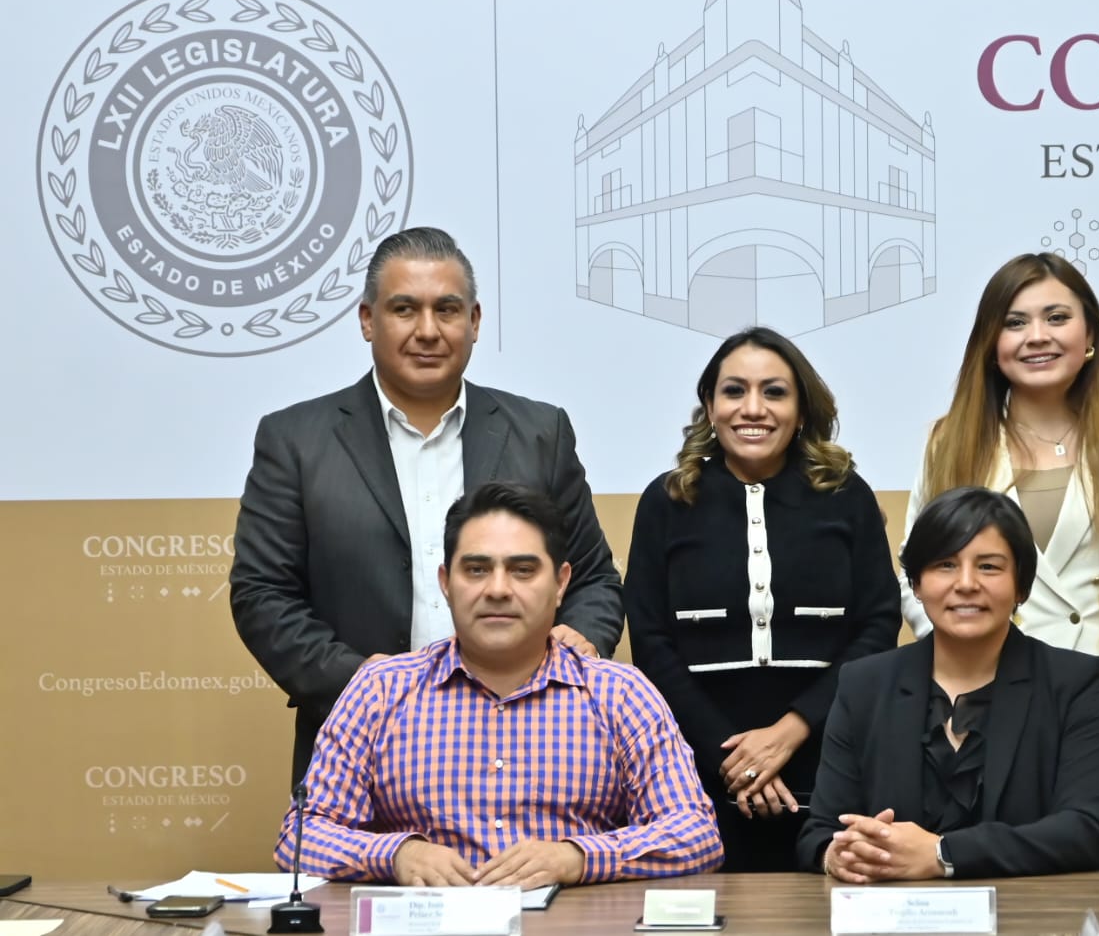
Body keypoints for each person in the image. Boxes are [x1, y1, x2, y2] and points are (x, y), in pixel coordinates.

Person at [231, 227, 623, 787]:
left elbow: (594, 580)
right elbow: (262, 594)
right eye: (404, 309)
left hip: (533, 740)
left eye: (447, 309)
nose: (428, 331)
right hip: (366, 744)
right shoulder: (296, 441)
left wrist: (581, 638)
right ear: (367, 320)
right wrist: (363, 683)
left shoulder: (541, 433)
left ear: (474, 321)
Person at [277, 481, 723, 886]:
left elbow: (695, 834)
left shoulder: (619, 693)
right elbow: (301, 837)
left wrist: (577, 857)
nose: (497, 589)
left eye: (523, 570)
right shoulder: (380, 690)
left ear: (561, 584)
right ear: (445, 583)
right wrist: (396, 854)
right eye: (476, 569)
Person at [899, 253, 1099, 785]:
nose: (1037, 336)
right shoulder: (950, 441)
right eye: (1015, 322)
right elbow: (916, 577)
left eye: (1057, 317)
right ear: (990, 343)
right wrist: (966, 671)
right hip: (989, 715)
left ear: (1089, 334)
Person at [623, 326, 902, 872]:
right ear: (710, 406)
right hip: (700, 768)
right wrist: (733, 758)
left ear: (801, 410)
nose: (753, 408)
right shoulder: (667, 500)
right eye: (734, 391)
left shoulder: (846, 495)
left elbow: (877, 627)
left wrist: (789, 733)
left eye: (774, 392)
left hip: (828, 756)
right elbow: (652, 643)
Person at [798, 486, 1099, 880]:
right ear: (917, 585)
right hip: (894, 909)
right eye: (945, 565)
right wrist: (836, 856)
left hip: (1028, 908)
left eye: (989, 567)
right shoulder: (864, 684)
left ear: (1021, 586)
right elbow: (821, 831)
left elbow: (1085, 831)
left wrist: (942, 854)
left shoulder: (1076, 683)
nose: (966, 583)